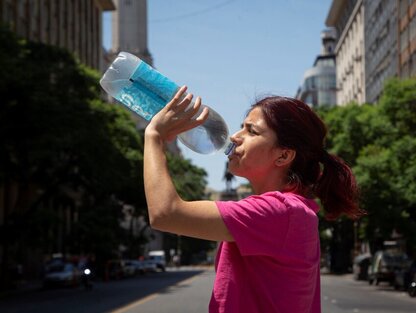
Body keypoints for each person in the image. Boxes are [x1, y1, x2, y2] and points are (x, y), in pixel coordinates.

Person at [144, 86, 363, 313]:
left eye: (251, 131)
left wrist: (154, 137)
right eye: (242, 128)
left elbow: (166, 213)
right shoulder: (290, 210)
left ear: (284, 155)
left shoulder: (280, 211)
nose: (234, 137)